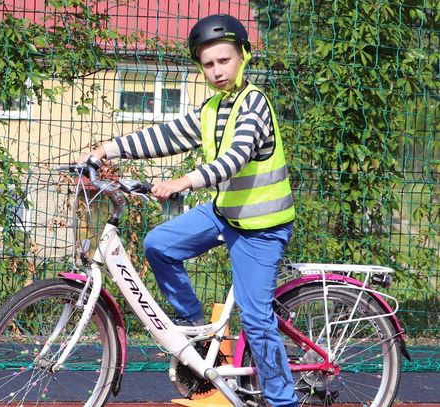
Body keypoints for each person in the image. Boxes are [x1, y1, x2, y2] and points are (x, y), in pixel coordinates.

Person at [79, 14, 298, 407]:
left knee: (256, 320)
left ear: (243, 57)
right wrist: (107, 149)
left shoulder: (254, 104)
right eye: (208, 64)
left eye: (224, 60)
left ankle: (284, 401)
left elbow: (235, 157)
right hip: (226, 213)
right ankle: (196, 329)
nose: (217, 71)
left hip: (261, 227)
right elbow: (167, 135)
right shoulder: (213, 108)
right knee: (159, 245)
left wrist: (185, 181)